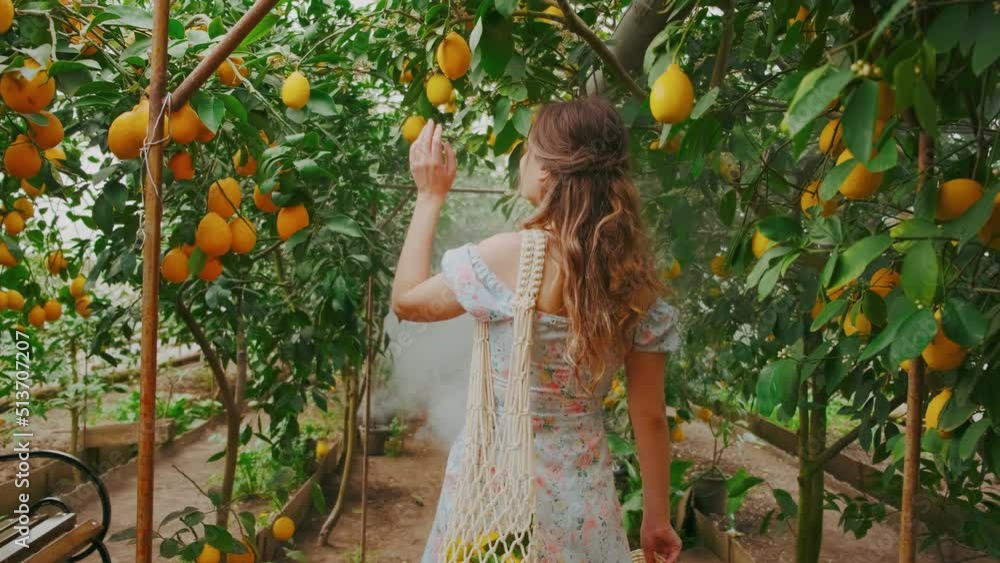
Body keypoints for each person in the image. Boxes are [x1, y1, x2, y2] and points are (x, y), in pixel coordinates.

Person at [392, 97, 683, 563]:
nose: (522, 159)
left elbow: (406, 302)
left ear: (548, 171)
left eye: (529, 149)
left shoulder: (508, 258)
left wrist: (429, 196)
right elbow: (649, 415)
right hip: (583, 503)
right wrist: (656, 520)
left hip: (495, 495)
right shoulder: (633, 282)